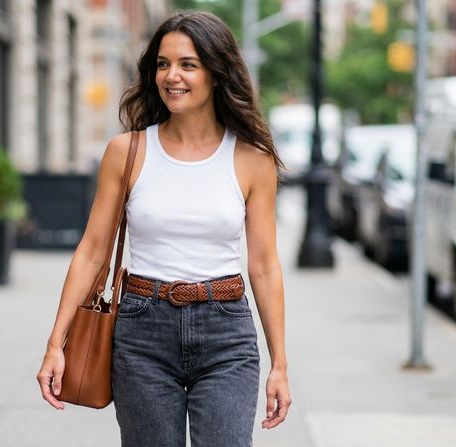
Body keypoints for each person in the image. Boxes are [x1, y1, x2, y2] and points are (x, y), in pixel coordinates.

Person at [36, 10, 290, 446]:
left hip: (225, 331)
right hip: (142, 329)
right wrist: (55, 343)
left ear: (216, 72)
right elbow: (93, 250)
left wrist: (280, 365)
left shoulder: (252, 158)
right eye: (163, 64)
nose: (172, 76)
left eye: (188, 64)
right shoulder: (127, 151)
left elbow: (264, 266)